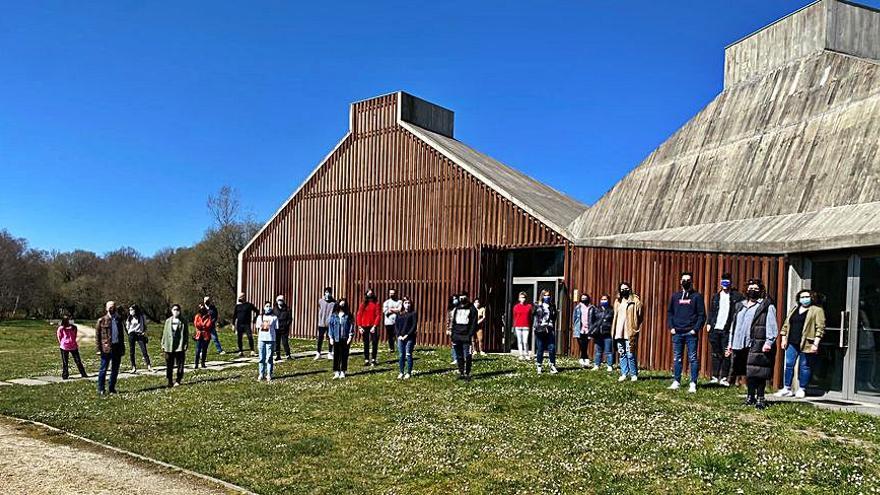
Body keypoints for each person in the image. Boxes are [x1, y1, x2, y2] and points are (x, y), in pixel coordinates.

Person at [726, 279, 778, 410]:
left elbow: (772, 325)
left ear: (761, 291)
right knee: (748, 373)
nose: (752, 291)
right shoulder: (740, 305)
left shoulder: (766, 306)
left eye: (755, 289)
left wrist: (769, 342)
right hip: (741, 344)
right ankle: (750, 397)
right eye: (750, 288)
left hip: (757, 343)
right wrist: (730, 343)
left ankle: (761, 398)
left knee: (759, 372)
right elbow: (734, 325)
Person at [775, 289, 826, 399]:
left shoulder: (817, 310)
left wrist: (815, 344)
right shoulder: (794, 309)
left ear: (811, 298)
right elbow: (786, 325)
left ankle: (802, 388)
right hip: (792, 342)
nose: (804, 299)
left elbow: (820, 328)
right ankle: (786, 388)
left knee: (805, 366)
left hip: (807, 342)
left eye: (807, 297)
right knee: (789, 365)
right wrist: (784, 339)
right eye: (802, 297)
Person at [667, 272, 706, 393]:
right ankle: (676, 381)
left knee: (692, 358)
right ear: (680, 281)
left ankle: (693, 383)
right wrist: (671, 327)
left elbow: (701, 315)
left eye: (688, 280)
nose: (685, 282)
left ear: (692, 282)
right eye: (683, 280)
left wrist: (695, 329)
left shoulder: (697, 297)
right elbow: (670, 312)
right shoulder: (675, 296)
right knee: (677, 358)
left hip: (690, 333)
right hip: (677, 332)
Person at [706, 273, 744, 386]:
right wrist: (709, 323)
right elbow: (712, 311)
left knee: (726, 353)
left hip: (727, 329)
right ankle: (714, 376)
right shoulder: (716, 296)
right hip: (715, 328)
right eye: (723, 282)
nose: (725, 285)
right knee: (716, 353)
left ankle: (724, 377)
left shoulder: (736, 296)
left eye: (727, 282)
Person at [613, 282, 643, 382]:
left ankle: (633, 374)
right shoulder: (617, 301)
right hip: (619, 331)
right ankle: (624, 373)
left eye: (626, 288)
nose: (624, 290)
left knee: (630, 354)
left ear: (630, 289)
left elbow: (640, 315)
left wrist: (635, 326)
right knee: (622, 353)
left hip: (629, 331)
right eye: (622, 289)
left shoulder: (635, 300)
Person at [95, 301, 126, 395]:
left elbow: (121, 335)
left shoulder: (118, 320)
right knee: (103, 369)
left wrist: (122, 348)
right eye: (110, 307)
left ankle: (112, 388)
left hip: (117, 347)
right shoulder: (101, 320)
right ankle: (101, 389)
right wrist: (98, 349)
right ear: (106, 308)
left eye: (114, 307)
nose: (112, 309)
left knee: (115, 369)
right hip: (106, 348)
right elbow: (97, 336)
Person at [451, 291, 478, 380]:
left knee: (467, 355)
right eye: (461, 297)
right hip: (457, 336)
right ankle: (461, 372)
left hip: (466, 336)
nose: (462, 299)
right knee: (459, 355)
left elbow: (474, 323)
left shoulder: (472, 308)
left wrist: (470, 334)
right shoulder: (457, 308)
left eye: (464, 297)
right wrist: (453, 334)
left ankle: (467, 373)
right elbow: (454, 322)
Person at [161, 304, 188, 388]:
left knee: (180, 364)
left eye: (177, 310)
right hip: (169, 346)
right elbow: (164, 333)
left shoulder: (183, 321)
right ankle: (169, 380)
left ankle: (178, 380)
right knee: (169, 364)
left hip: (179, 346)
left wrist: (185, 344)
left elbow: (186, 334)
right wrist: (163, 343)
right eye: (174, 309)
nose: (176, 311)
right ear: (171, 311)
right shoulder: (168, 321)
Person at [328, 298, 354, 379]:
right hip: (336, 338)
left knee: (344, 356)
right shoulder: (334, 315)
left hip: (345, 338)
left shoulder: (348, 315)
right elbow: (331, 327)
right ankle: (336, 372)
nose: (342, 306)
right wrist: (331, 338)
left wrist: (350, 337)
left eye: (343, 304)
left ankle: (343, 371)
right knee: (336, 356)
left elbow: (351, 326)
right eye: (341, 304)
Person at [533, 290, 559, 374]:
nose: (547, 297)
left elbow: (554, 317)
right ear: (542, 296)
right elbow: (533, 314)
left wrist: (550, 324)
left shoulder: (552, 305)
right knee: (540, 348)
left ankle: (552, 365)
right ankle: (539, 365)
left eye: (548, 295)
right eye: (545, 295)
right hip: (540, 329)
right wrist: (538, 306)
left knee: (552, 348)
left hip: (550, 328)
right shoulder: (537, 305)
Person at [356, 289, 381, 366]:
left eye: (371, 293)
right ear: (366, 294)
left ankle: (373, 359)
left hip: (373, 326)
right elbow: (359, 315)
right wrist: (359, 326)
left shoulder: (376, 303)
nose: (370, 295)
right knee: (366, 343)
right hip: (364, 326)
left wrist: (374, 326)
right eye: (368, 293)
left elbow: (378, 315)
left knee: (374, 342)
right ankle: (366, 359)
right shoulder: (363, 304)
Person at [126, 304, 153, 374]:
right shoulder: (129, 318)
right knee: (132, 351)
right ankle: (133, 367)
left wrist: (144, 332)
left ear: (135, 310)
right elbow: (127, 326)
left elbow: (145, 325)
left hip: (140, 334)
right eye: (129, 310)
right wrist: (129, 332)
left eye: (131, 310)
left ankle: (149, 365)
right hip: (132, 334)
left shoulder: (141, 316)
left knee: (144, 350)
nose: (130, 311)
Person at [395, 297, 418, 379]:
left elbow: (414, 326)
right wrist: (399, 335)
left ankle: (408, 372)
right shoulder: (399, 314)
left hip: (409, 337)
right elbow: (396, 325)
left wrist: (407, 335)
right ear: (403, 304)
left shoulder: (413, 313)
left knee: (408, 354)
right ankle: (401, 372)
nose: (407, 305)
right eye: (405, 303)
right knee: (401, 355)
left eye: (409, 303)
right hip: (400, 337)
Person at [591, 294, 615, 372]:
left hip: (607, 333)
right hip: (598, 333)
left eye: (605, 299)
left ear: (608, 300)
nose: (603, 301)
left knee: (608, 351)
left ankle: (609, 365)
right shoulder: (597, 309)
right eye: (602, 299)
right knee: (598, 351)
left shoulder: (611, 310)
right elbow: (593, 321)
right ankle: (597, 365)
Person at [255, 302, 278, 382]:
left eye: (269, 306)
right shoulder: (260, 317)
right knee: (261, 357)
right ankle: (261, 374)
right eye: (267, 306)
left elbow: (276, 328)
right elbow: (258, 328)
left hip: (270, 339)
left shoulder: (274, 317)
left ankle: (269, 374)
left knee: (269, 358)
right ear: (264, 307)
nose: (268, 307)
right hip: (261, 339)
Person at [572, 293, 595, 368]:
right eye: (582, 298)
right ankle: (585, 358)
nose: (584, 299)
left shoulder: (591, 307)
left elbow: (593, 318)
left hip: (588, 329)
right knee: (581, 345)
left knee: (585, 344)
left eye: (585, 298)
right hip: (579, 328)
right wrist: (575, 326)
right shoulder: (577, 307)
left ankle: (583, 358)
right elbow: (574, 317)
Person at [233, 293, 258, 357]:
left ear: (244, 297)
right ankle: (240, 351)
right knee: (239, 338)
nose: (240, 298)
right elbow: (234, 316)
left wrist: (255, 319)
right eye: (239, 297)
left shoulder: (248, 305)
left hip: (247, 324)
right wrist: (233, 325)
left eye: (241, 297)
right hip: (239, 324)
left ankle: (252, 350)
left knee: (250, 336)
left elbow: (257, 311)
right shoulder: (237, 306)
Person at [512, 292, 533, 360]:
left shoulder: (529, 306)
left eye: (524, 297)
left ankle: (526, 354)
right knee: (520, 341)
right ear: (519, 298)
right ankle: (521, 354)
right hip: (518, 326)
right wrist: (514, 326)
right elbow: (514, 317)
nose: (522, 299)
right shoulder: (516, 307)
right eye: (521, 297)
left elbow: (530, 316)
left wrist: (530, 325)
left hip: (526, 326)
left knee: (525, 341)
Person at [316, 287, 336, 360]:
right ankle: (318, 353)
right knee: (320, 338)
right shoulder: (321, 301)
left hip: (330, 324)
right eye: (326, 292)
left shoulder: (334, 302)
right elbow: (319, 309)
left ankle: (330, 353)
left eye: (329, 292)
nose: (327, 293)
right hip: (321, 323)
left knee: (330, 338)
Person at [383, 289, 404, 353]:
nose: (392, 294)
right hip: (388, 322)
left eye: (393, 293)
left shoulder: (399, 302)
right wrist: (395, 310)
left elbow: (399, 310)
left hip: (397, 321)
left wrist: (391, 309)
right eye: (391, 293)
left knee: (398, 334)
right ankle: (391, 348)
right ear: (389, 294)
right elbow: (385, 312)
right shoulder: (386, 302)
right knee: (390, 336)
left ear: (396, 293)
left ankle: (399, 347)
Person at [193, 303, 212, 369]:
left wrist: (201, 326)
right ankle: (196, 363)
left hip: (206, 335)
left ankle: (203, 362)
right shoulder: (197, 316)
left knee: (204, 350)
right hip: (199, 335)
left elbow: (209, 325)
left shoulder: (208, 316)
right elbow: (196, 324)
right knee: (198, 350)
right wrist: (203, 326)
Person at [274, 295, 293, 361]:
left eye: (281, 300)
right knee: (277, 342)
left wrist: (286, 325)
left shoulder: (287, 309)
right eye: (279, 300)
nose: (280, 301)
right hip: (276, 329)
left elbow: (290, 319)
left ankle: (288, 355)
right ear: (277, 301)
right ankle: (278, 355)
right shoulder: (274, 309)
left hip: (284, 329)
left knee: (285, 342)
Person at [447, 294, 460, 365]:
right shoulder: (450, 310)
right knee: (453, 344)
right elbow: (448, 320)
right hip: (452, 328)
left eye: (456, 299)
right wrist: (448, 329)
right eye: (454, 299)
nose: (455, 300)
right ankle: (455, 358)